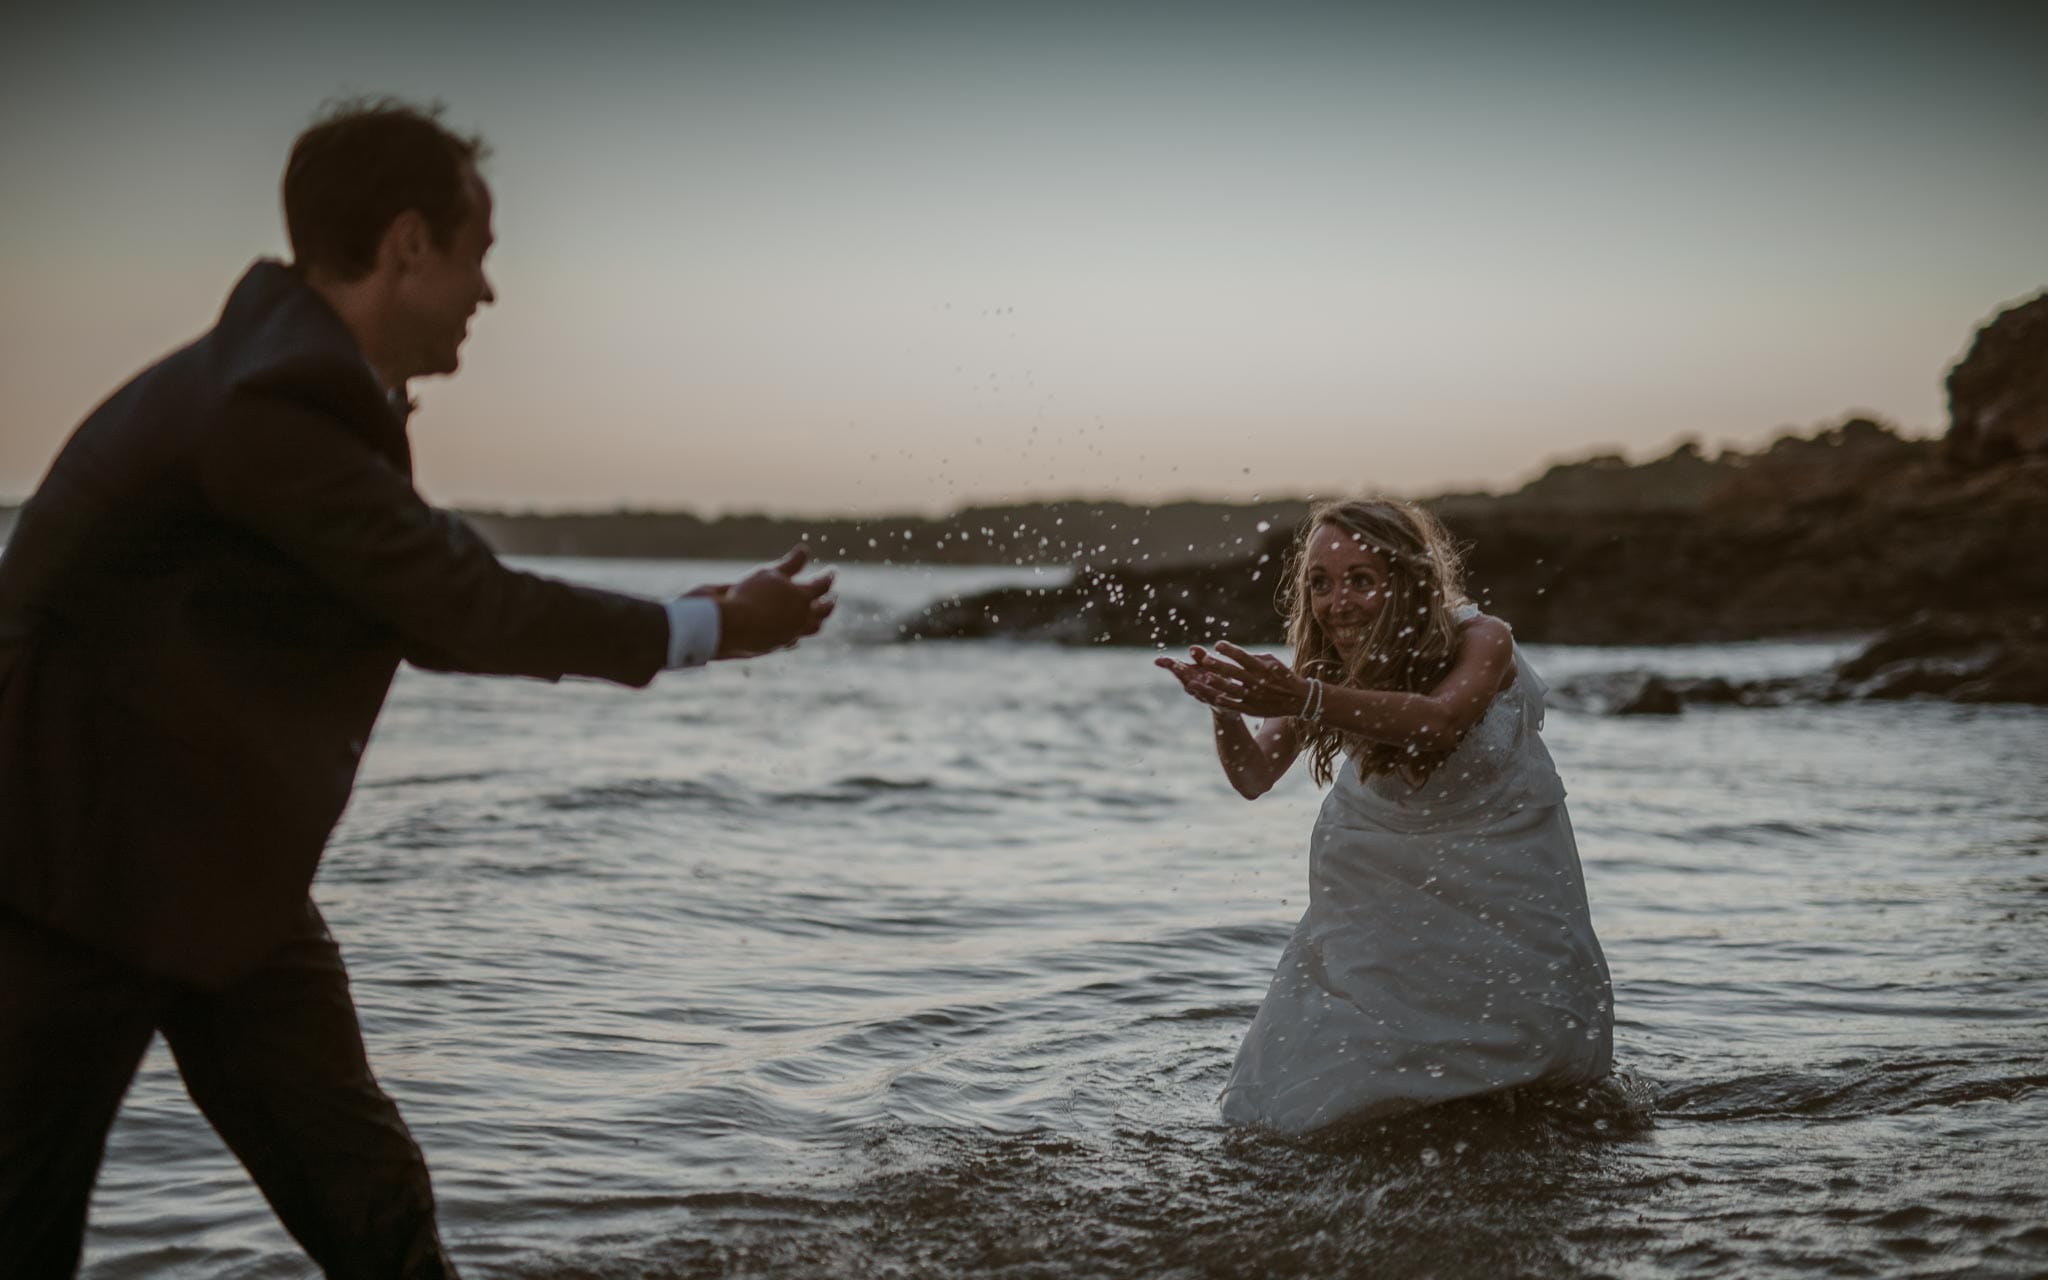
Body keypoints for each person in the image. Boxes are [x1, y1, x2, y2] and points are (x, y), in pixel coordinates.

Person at [0, 99, 834, 1277]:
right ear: (408, 245)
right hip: (58, 869)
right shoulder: (271, 403)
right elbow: (456, 602)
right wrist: (705, 627)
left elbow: (418, 605)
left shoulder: (286, 381)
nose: (488, 292)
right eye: (478, 253)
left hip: (208, 865)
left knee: (370, 1202)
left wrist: (690, 622)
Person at [1156, 498, 1612, 1135]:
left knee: (1529, 1066)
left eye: (1360, 581)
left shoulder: (1484, 638)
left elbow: (1439, 720)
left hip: (1502, 870)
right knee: (1315, 1092)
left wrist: (1306, 696)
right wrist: (1225, 708)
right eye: (1320, 583)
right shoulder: (1317, 670)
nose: (1337, 602)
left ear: (1408, 582)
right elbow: (1254, 776)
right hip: (1371, 874)